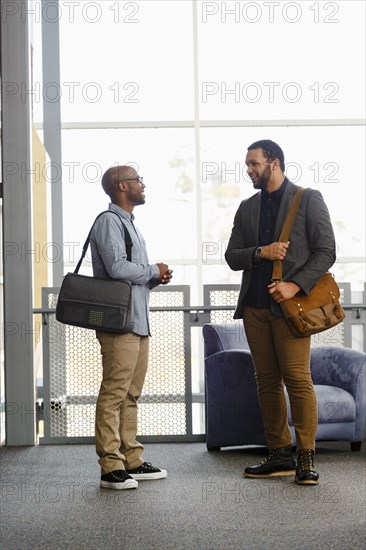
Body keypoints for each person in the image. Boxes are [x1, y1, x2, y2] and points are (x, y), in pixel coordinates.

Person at [225, 140, 336, 485]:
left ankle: (305, 455)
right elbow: (232, 257)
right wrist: (262, 251)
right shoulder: (246, 208)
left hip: (290, 309)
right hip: (255, 309)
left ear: (274, 162)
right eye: (247, 165)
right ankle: (280, 453)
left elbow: (326, 251)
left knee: (298, 380)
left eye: (254, 164)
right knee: (267, 382)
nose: (249, 170)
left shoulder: (307, 199)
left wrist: (295, 285)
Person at [90, 165, 173, 490]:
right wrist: (153, 268)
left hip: (137, 320)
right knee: (114, 393)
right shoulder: (109, 221)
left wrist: (154, 278)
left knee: (130, 395)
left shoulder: (130, 226)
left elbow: (130, 280)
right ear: (122, 186)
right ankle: (110, 465)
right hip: (119, 324)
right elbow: (116, 268)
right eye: (138, 180)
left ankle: (132, 460)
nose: (143, 185)